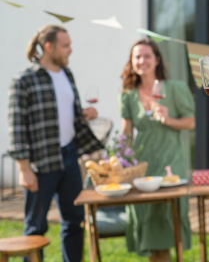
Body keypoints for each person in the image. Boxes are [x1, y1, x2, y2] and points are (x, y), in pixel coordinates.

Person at [8, 24, 103, 262]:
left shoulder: (66, 74)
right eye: (66, 45)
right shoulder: (23, 80)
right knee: (35, 227)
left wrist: (83, 114)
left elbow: (63, 113)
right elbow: (16, 127)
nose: (70, 50)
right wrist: (24, 169)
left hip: (70, 157)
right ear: (48, 47)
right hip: (41, 163)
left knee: (74, 221)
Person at [118, 38, 195, 262]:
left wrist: (168, 119)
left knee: (170, 220)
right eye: (137, 57)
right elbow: (127, 134)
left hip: (171, 163)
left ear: (157, 60)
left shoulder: (175, 88)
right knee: (149, 221)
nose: (142, 61)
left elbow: (190, 123)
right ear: (132, 62)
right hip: (143, 166)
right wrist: (120, 161)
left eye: (147, 56)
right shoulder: (127, 95)